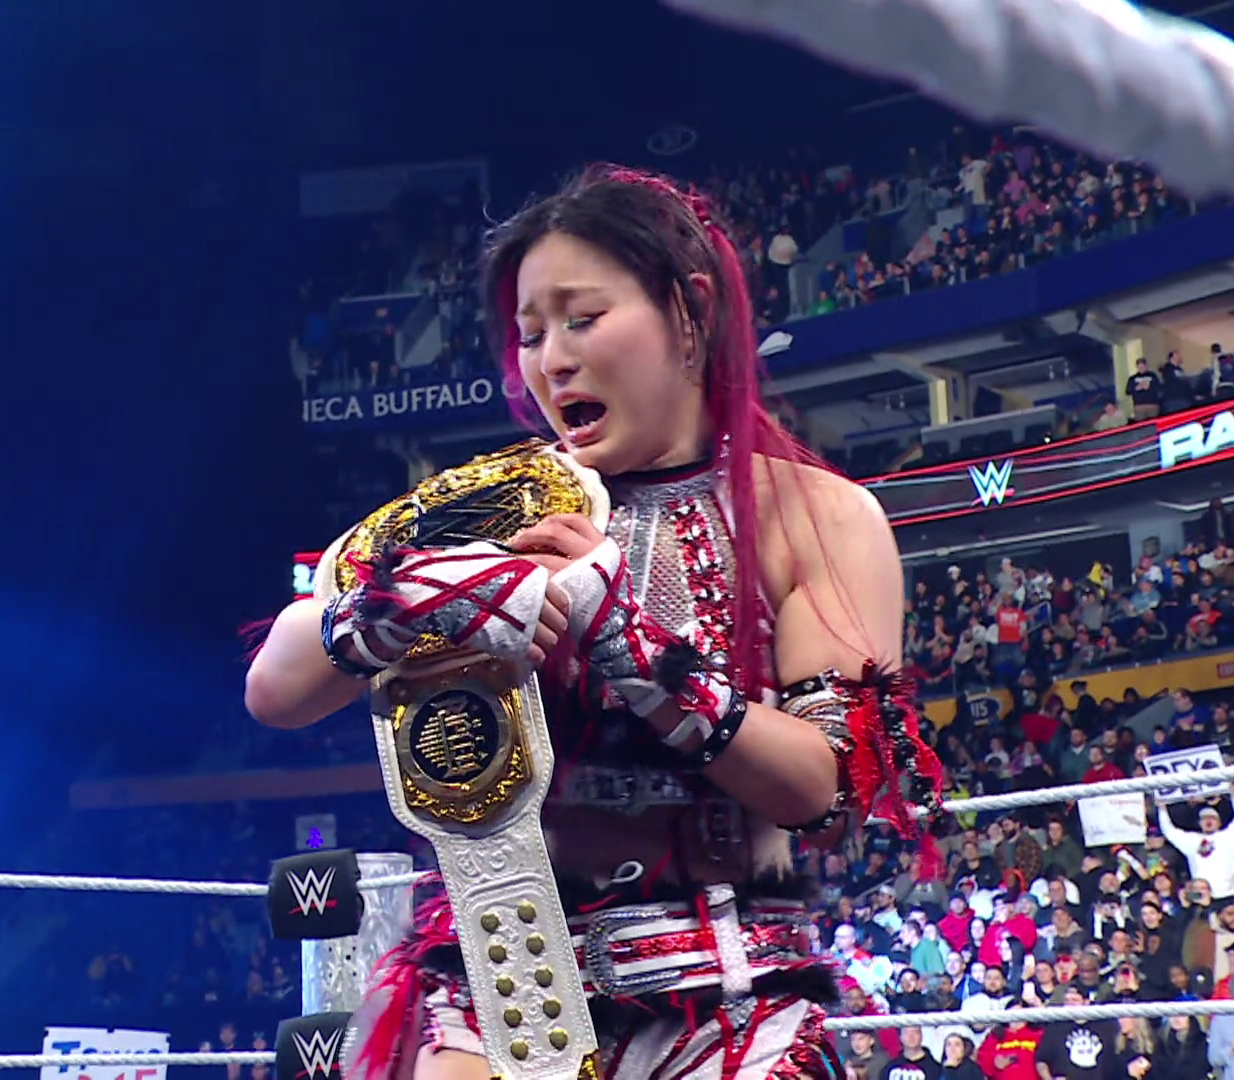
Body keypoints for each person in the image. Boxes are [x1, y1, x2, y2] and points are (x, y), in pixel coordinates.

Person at [244, 165, 944, 1080]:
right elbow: (275, 689)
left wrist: (633, 648)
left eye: (581, 319)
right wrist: (391, 610)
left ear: (691, 313)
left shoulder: (814, 517)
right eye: (531, 334)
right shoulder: (487, 506)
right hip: (492, 984)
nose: (551, 361)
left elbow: (829, 792)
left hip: (731, 1006)